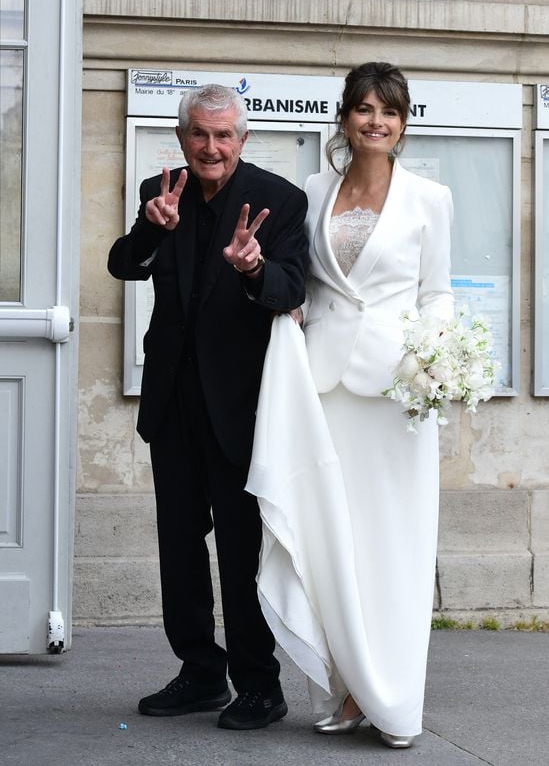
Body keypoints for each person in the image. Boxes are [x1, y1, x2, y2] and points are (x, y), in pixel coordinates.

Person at [247, 62, 454, 748]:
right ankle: (346, 689)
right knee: (333, 538)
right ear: (344, 119)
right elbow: (301, 279)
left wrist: (437, 359)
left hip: (397, 394)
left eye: (389, 111)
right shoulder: (313, 188)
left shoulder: (430, 198)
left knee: (391, 545)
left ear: (402, 121)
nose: (376, 121)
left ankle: (390, 696)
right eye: (364, 109)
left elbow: (438, 294)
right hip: (324, 387)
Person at [107, 84, 309, 731]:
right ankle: (199, 671)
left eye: (224, 136)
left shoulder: (280, 199)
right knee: (180, 546)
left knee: (240, 551)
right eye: (200, 134)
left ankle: (260, 683)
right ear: (182, 138)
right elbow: (122, 264)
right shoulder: (160, 190)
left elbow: (291, 287)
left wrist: (254, 269)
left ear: (242, 140)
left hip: (242, 410)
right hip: (173, 404)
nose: (212, 147)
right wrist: (147, 225)